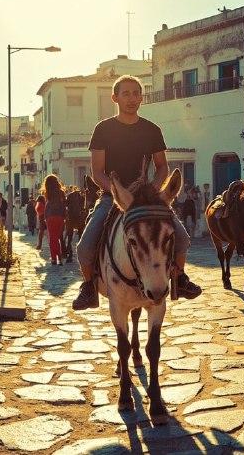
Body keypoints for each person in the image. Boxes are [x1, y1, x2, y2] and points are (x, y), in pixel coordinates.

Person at [72, 74, 202, 310]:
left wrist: (152, 190)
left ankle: (180, 278)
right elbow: (97, 172)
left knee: (181, 238)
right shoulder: (103, 130)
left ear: (141, 97)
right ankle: (89, 287)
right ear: (115, 97)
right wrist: (120, 193)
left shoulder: (152, 130)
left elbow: (162, 166)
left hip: (147, 199)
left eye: (136, 93)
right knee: (85, 246)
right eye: (126, 94)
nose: (131, 98)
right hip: (113, 198)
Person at [42, 174, 67, 265]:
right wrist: (65, 216)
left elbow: (47, 205)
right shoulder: (61, 192)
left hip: (50, 215)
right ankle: (59, 258)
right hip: (60, 215)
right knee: (57, 237)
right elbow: (64, 205)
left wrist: (45, 217)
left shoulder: (48, 192)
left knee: (52, 238)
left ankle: (54, 258)